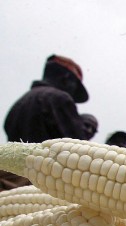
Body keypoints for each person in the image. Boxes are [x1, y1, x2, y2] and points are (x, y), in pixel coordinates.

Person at [3, 54, 90, 190]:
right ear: (66, 79)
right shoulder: (59, 98)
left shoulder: (20, 102)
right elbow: (80, 153)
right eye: (75, 86)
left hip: (15, 185)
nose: (73, 93)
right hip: (44, 185)